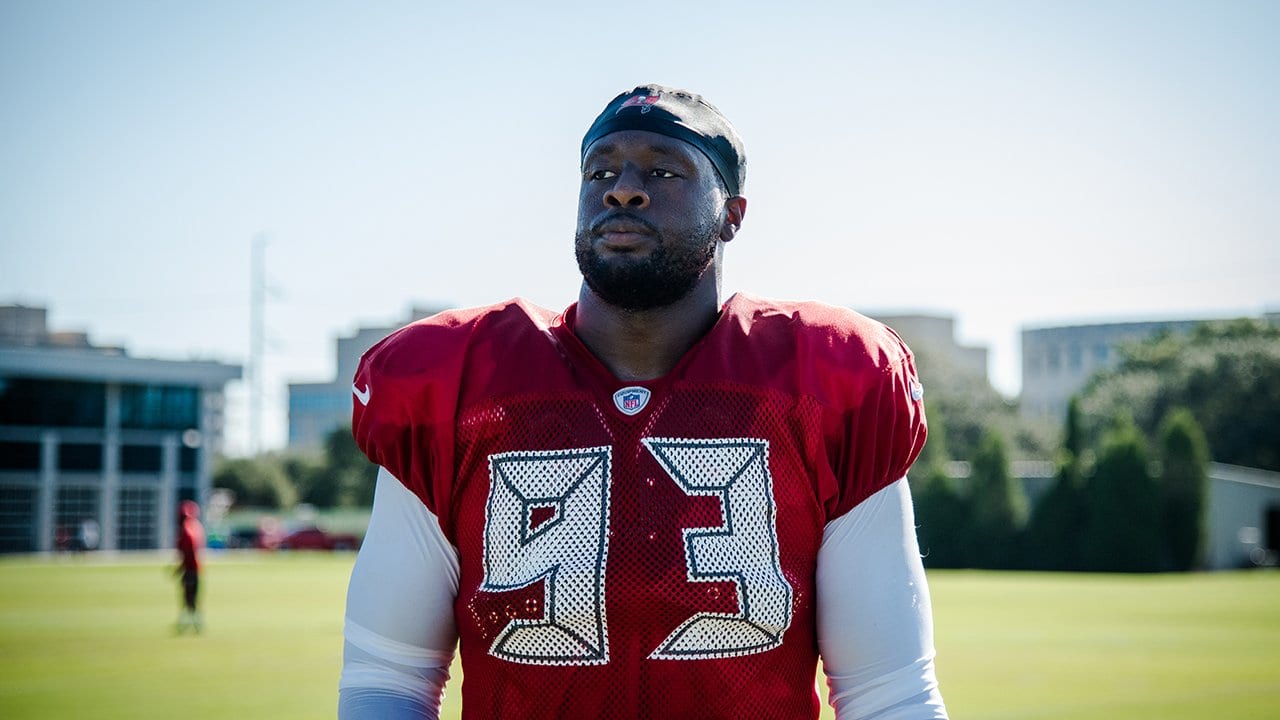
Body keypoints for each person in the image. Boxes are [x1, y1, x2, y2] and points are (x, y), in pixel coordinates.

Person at [338, 84, 948, 720]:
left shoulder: (825, 377)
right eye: (601, 170)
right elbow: (389, 679)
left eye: (663, 170)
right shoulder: (459, 382)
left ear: (733, 214)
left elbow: (888, 692)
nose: (622, 188)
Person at [175, 500, 204, 634]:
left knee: (189, 597)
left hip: (190, 569)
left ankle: (193, 622)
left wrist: (180, 569)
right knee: (191, 597)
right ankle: (193, 622)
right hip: (194, 569)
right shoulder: (195, 527)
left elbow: (188, 553)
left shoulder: (187, 530)